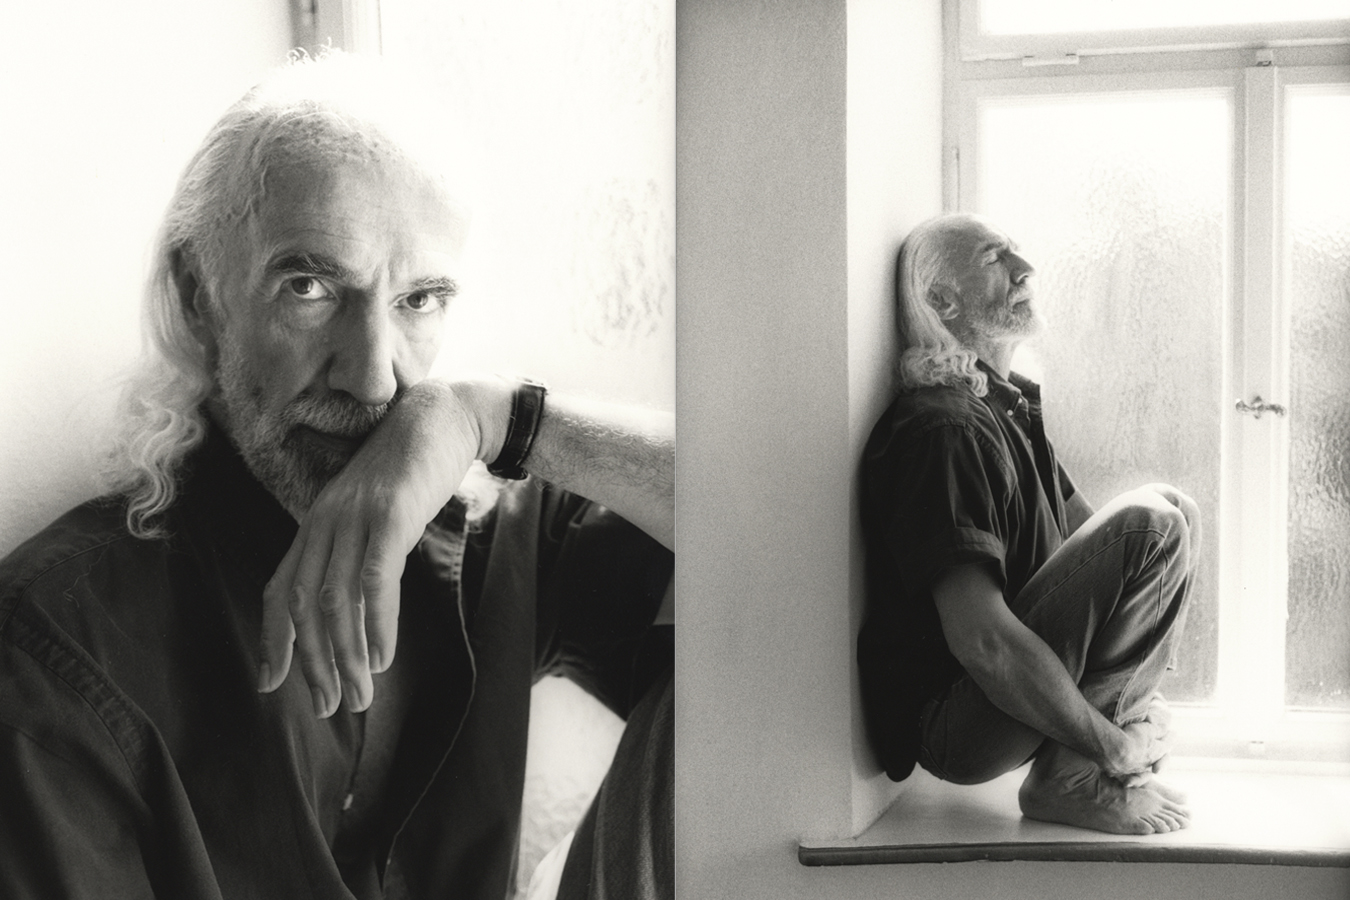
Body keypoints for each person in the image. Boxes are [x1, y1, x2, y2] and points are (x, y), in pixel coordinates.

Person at [0, 52, 673, 899]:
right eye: (310, 286)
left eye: (418, 300)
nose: (375, 379)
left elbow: (783, 534)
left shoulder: (498, 536)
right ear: (200, 294)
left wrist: (498, 417)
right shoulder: (61, 646)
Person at [857, 212, 1200, 836]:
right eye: (995, 259)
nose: (1026, 270)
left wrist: (1140, 702)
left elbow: (1105, 568)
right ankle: (1073, 776)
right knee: (1151, 523)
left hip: (1007, 705)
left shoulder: (1003, 406)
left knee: (1174, 508)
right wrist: (1115, 744)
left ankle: (1082, 767)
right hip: (959, 723)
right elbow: (981, 640)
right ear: (943, 301)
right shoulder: (945, 430)